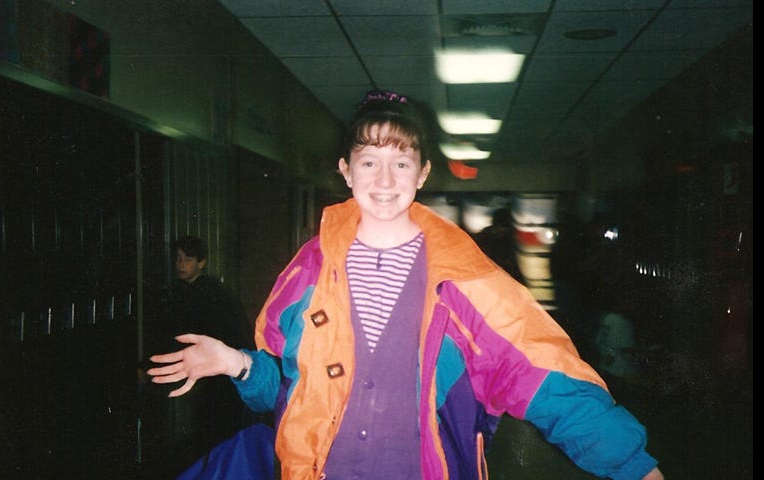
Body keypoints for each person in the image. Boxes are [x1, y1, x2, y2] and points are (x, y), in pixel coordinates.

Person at [147, 90, 665, 480]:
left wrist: (634, 465)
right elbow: (280, 391)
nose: (386, 179)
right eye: (370, 162)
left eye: (402, 162)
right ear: (346, 172)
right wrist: (234, 363)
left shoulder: (465, 279)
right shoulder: (308, 271)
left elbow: (544, 377)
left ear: (422, 174)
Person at [140, 235, 258, 478]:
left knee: (217, 434)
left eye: (189, 259)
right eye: (178, 259)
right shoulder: (184, 291)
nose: (181, 264)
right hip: (208, 370)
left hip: (223, 372)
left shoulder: (209, 293)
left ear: (202, 262)